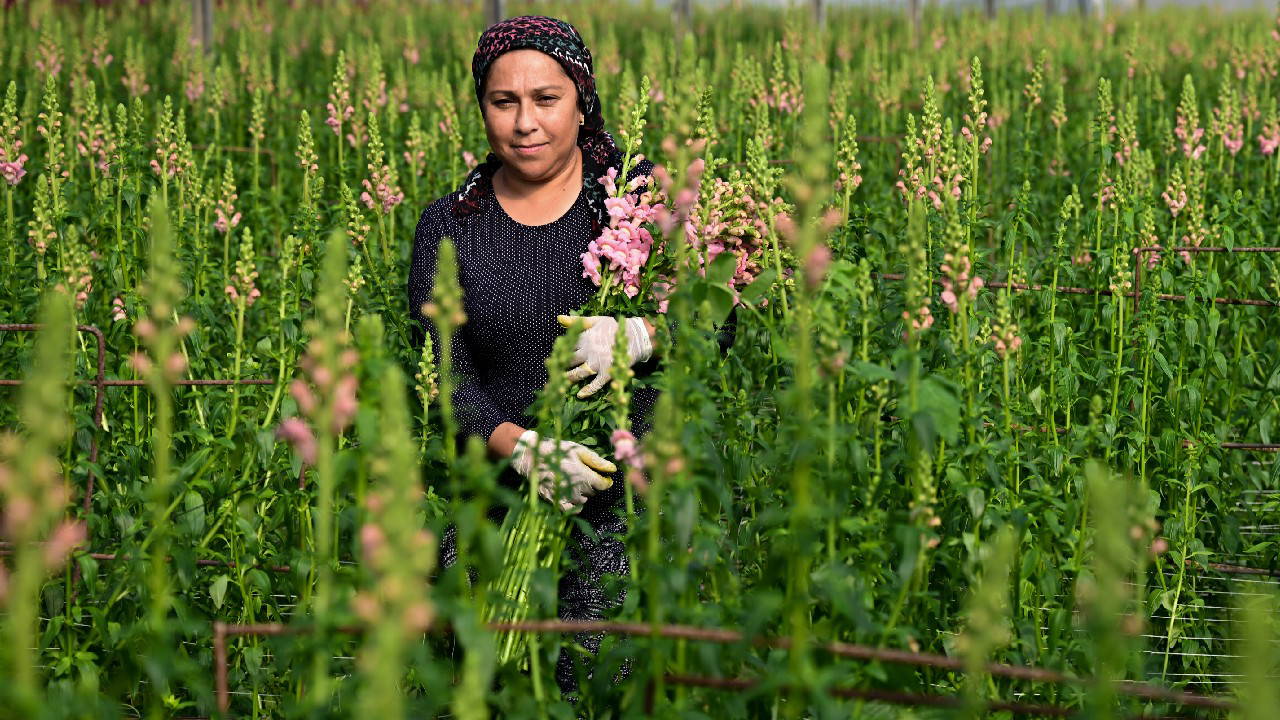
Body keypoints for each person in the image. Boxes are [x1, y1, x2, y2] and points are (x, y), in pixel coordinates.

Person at [407, 15, 669, 696]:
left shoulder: (630, 199)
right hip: (501, 500)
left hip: (627, 502)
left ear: (581, 101)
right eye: (504, 102)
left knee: (598, 683)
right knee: (485, 681)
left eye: (546, 99)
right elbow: (445, 376)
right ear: (481, 108)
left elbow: (717, 318)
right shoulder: (450, 225)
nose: (526, 122)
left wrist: (644, 333)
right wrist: (523, 447)